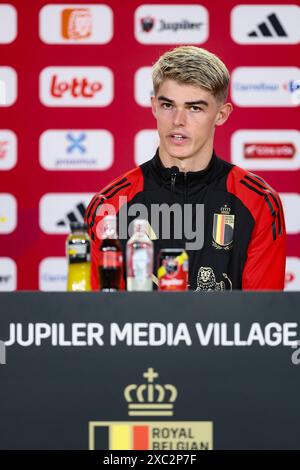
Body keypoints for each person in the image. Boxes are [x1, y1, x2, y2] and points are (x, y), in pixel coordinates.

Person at [85, 46, 286, 291]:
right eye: (168, 105)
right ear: (154, 107)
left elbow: (263, 316)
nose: (178, 121)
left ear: (221, 114)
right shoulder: (110, 204)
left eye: (195, 108)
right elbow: (99, 316)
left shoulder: (259, 202)